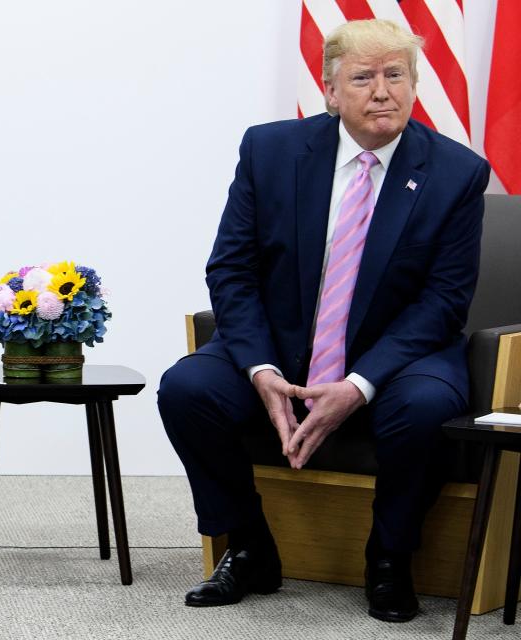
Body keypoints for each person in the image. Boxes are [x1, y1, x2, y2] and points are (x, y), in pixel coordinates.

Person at [157, 19, 489, 623]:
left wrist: (359, 384)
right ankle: (249, 544)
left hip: (402, 353)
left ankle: (389, 556)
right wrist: (259, 368)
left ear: (415, 85)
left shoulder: (456, 174)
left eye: (396, 75)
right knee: (186, 389)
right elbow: (231, 269)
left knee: (424, 409)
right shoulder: (271, 150)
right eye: (363, 77)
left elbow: (443, 301)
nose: (382, 91)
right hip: (285, 346)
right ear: (332, 90)